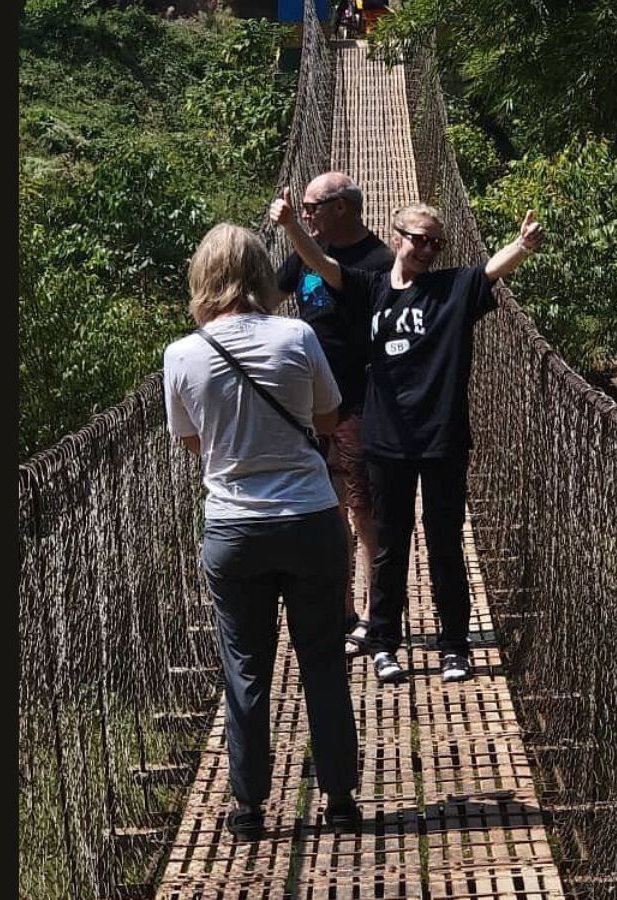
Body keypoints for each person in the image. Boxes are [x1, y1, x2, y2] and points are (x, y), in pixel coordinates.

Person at [269, 197, 543, 685]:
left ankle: (454, 646)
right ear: (397, 236)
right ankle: (384, 644)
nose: (426, 249)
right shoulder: (371, 288)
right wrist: (292, 226)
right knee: (391, 546)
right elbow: (322, 264)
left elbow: (488, 272)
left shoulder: (451, 288)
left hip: (441, 438)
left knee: (444, 545)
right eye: (418, 239)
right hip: (386, 439)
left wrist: (521, 247)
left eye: (435, 242)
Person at [163, 223, 361, 839]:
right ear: (260, 275)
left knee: (244, 668)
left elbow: (193, 443)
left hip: (234, 528)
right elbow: (328, 417)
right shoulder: (297, 334)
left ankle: (248, 808)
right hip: (308, 518)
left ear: (202, 278)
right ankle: (341, 801)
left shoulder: (182, 353)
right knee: (322, 660)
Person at [275, 174, 395, 657]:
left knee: (365, 510)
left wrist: (291, 230)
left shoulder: (378, 262)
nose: (306, 214)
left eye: (311, 207)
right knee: (328, 507)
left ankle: (375, 615)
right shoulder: (311, 246)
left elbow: (329, 273)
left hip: (361, 400)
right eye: (301, 209)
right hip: (306, 404)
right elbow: (267, 296)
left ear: (342, 207)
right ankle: (341, 611)